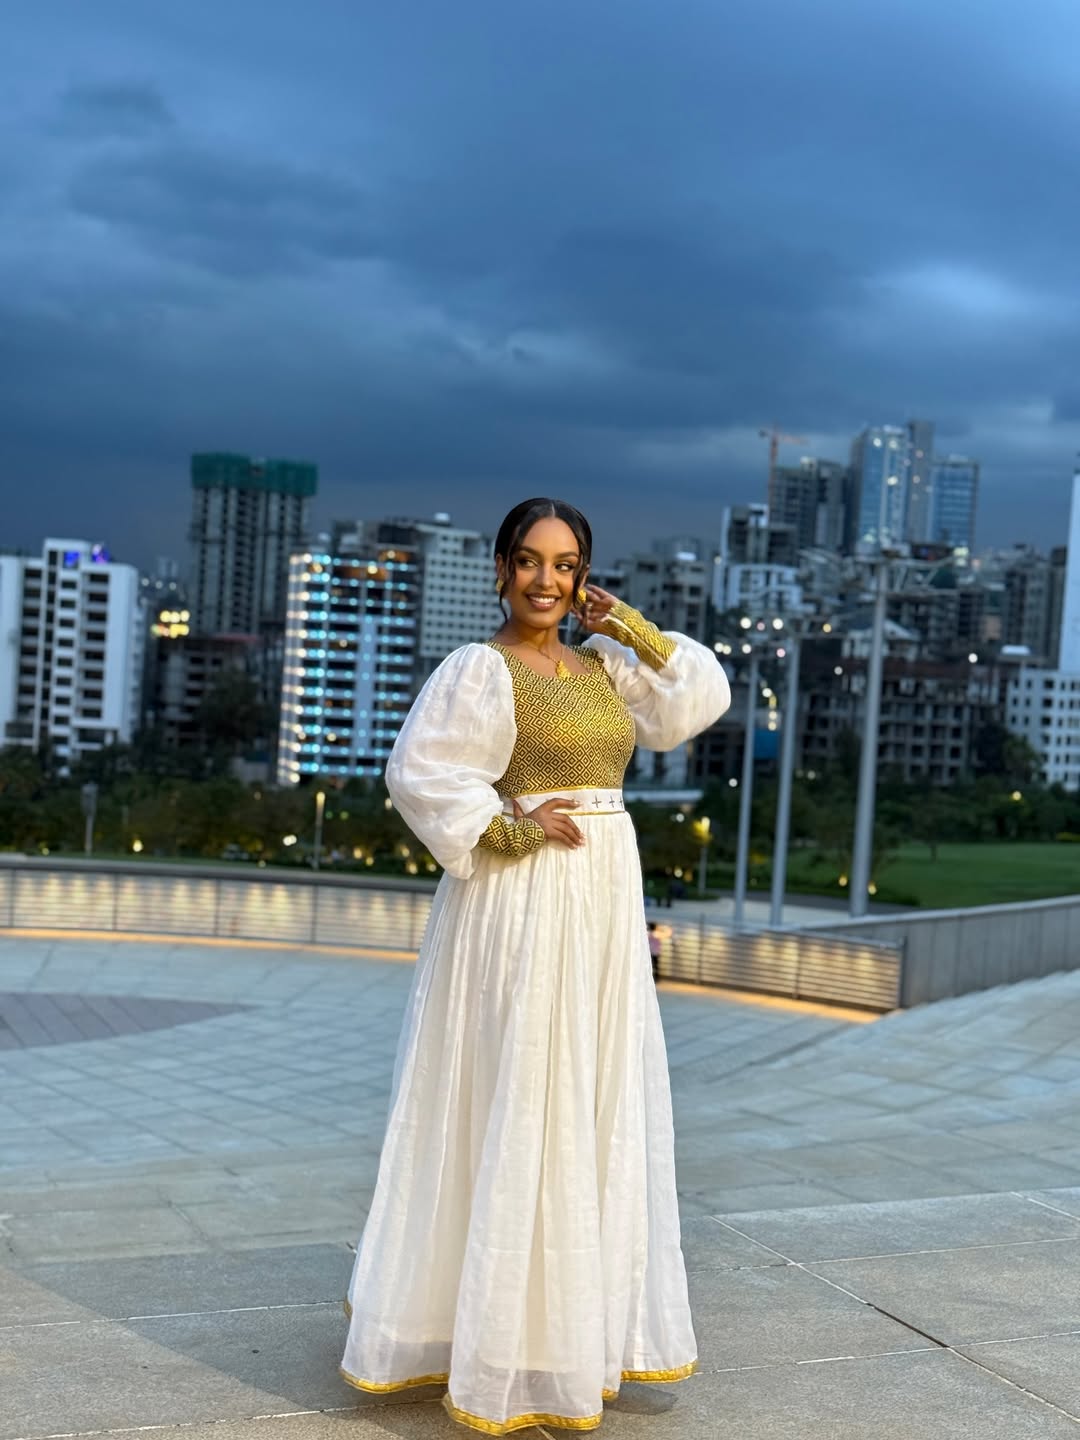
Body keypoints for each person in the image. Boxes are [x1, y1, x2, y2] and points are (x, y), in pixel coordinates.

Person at [340, 498, 731, 1434]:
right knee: (518, 1091)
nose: (545, 580)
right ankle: (482, 1337)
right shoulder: (481, 668)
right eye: (528, 561)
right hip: (520, 900)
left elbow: (695, 703)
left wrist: (628, 623)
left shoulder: (604, 668)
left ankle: (565, 1335)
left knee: (589, 1095)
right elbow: (420, 772)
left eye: (565, 564)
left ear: (584, 573)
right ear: (501, 570)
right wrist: (513, 829)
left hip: (601, 904)